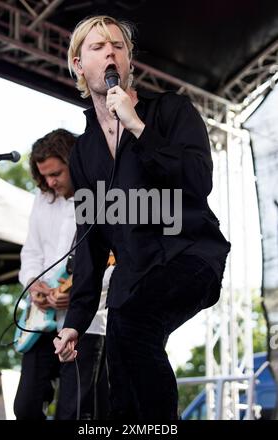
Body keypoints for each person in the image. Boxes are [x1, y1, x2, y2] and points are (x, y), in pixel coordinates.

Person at [54, 16, 231, 420]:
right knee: (122, 369)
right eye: (98, 47)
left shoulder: (171, 111)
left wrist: (137, 127)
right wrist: (76, 319)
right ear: (80, 65)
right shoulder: (83, 153)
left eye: (118, 46)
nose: (110, 53)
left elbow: (198, 180)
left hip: (189, 255)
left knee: (134, 324)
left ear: (129, 62)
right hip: (134, 277)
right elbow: (92, 238)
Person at [13, 128, 111, 420]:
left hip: (86, 325)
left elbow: (115, 263)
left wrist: (81, 294)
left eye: (56, 173)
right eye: (44, 176)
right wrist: (34, 285)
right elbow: (30, 253)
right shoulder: (43, 199)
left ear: (76, 162)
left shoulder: (102, 198)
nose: (50, 182)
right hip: (40, 322)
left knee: (74, 413)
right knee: (26, 407)